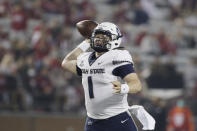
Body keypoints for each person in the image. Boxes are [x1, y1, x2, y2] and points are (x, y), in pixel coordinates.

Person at [62, 22, 142, 131]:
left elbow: (136, 84)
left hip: (118, 120)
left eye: (103, 36)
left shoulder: (117, 56)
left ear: (114, 39)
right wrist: (86, 42)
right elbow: (66, 62)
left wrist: (124, 88)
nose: (99, 39)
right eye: (97, 36)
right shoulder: (85, 59)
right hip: (93, 122)